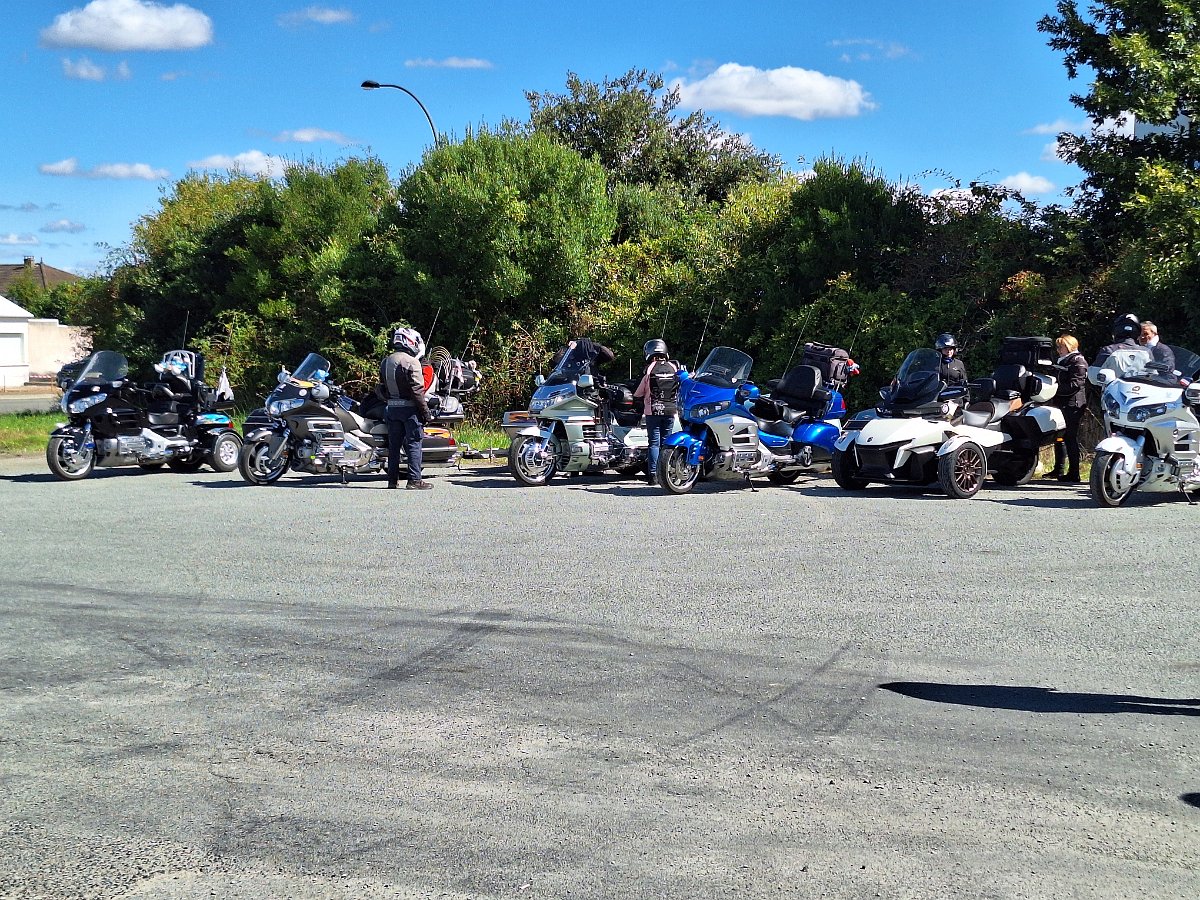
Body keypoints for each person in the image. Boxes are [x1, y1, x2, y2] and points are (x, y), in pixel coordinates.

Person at [379, 327, 433, 490]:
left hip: (392, 409)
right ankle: (414, 480)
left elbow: (381, 388)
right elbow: (417, 392)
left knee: (394, 446)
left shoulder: (385, 361)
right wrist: (426, 413)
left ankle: (392, 481)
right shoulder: (412, 362)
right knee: (414, 444)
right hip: (410, 410)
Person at [633, 338, 680, 485]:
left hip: (653, 410)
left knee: (654, 443)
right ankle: (665, 474)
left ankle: (653, 476)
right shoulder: (673, 367)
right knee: (667, 443)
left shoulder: (650, 369)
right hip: (671, 410)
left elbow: (639, 393)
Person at [1045, 334, 1088, 484]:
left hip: (1073, 405)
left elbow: (1076, 384)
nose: (1058, 350)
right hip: (1061, 403)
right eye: (1057, 347)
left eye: (1061, 347)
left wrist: (1054, 390)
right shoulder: (1063, 360)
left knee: (1070, 437)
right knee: (1059, 436)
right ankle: (1059, 469)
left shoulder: (1078, 361)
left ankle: (1074, 473)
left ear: (1069, 346)